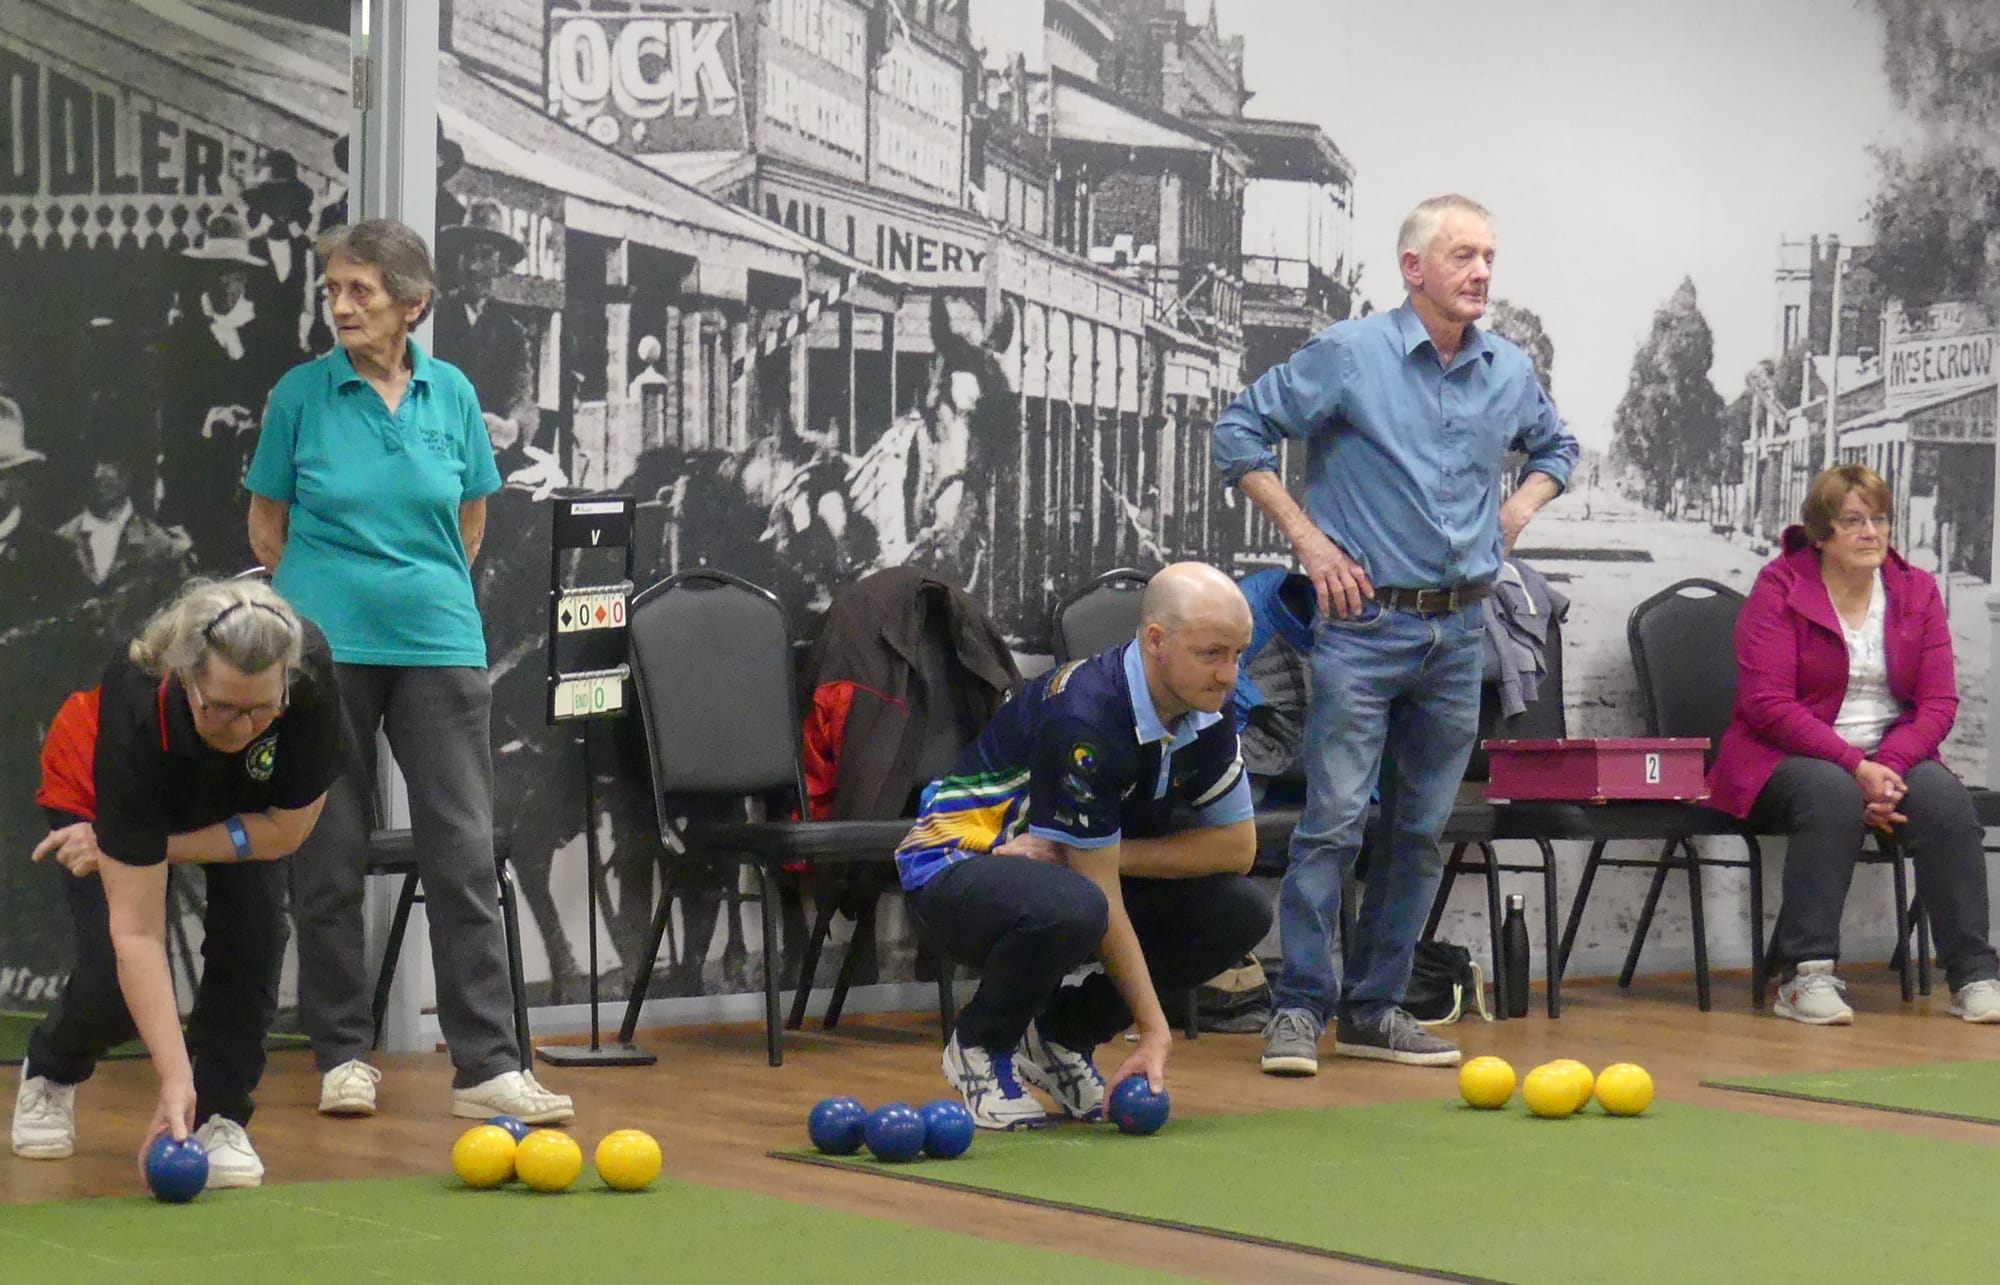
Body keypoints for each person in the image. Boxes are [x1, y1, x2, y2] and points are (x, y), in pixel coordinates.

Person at [1212, 194, 1578, 1076]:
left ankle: (1375, 1008)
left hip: (1459, 632)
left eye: (1489, 255)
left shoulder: (1506, 368)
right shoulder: (1351, 354)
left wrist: (1515, 515)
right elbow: (1238, 432)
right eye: (1462, 256)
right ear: (1414, 268)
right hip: (1362, 628)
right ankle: (1299, 1006)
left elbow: (1556, 447)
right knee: (1335, 822)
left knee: (1417, 830)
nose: (1481, 272)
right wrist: (1307, 538)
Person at [244, 218, 573, 1123]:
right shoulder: (300, 396)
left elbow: (469, 523)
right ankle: (344, 1055)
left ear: (412, 304)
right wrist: (324, 605)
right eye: (334, 291)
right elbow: (266, 529)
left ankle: (489, 1067)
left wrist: (414, 593)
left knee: (463, 854)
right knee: (329, 859)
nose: (342, 306)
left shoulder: (454, 393)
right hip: (324, 654)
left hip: (439, 646)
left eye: (362, 291)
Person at [893, 562, 1272, 1129]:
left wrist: (1109, 854)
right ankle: (979, 1045)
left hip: (1066, 872)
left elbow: (1235, 850)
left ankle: (1061, 1037)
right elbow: (1100, 891)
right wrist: (1154, 1029)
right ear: (1156, 641)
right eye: (1212, 654)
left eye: (1238, 654)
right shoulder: (1087, 716)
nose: (1228, 674)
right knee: (1075, 904)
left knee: (1239, 910)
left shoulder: (1207, 711)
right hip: (956, 865)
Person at [10, 578, 354, 1186]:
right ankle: (52, 1069)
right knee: (114, 985)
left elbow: (282, 833)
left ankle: (221, 1116)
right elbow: (139, 935)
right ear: (185, 677)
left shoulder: (310, 678)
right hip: (103, 788)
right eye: (222, 706)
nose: (244, 726)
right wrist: (173, 1079)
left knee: (254, 936)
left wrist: (148, 850)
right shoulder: (138, 694)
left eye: (260, 708)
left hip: (240, 808)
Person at [1707, 464, 2000, 1025]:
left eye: (1881, 519)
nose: (1871, 533)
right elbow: (1766, 704)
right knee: (1831, 795)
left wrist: (1884, 765)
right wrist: (1853, 766)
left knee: (1947, 803)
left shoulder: (1916, 590)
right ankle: (1806, 977)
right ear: (1820, 533)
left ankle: (1974, 975)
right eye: (1853, 521)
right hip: (1785, 757)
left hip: (1890, 756)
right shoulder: (1780, 587)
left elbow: (1939, 702)